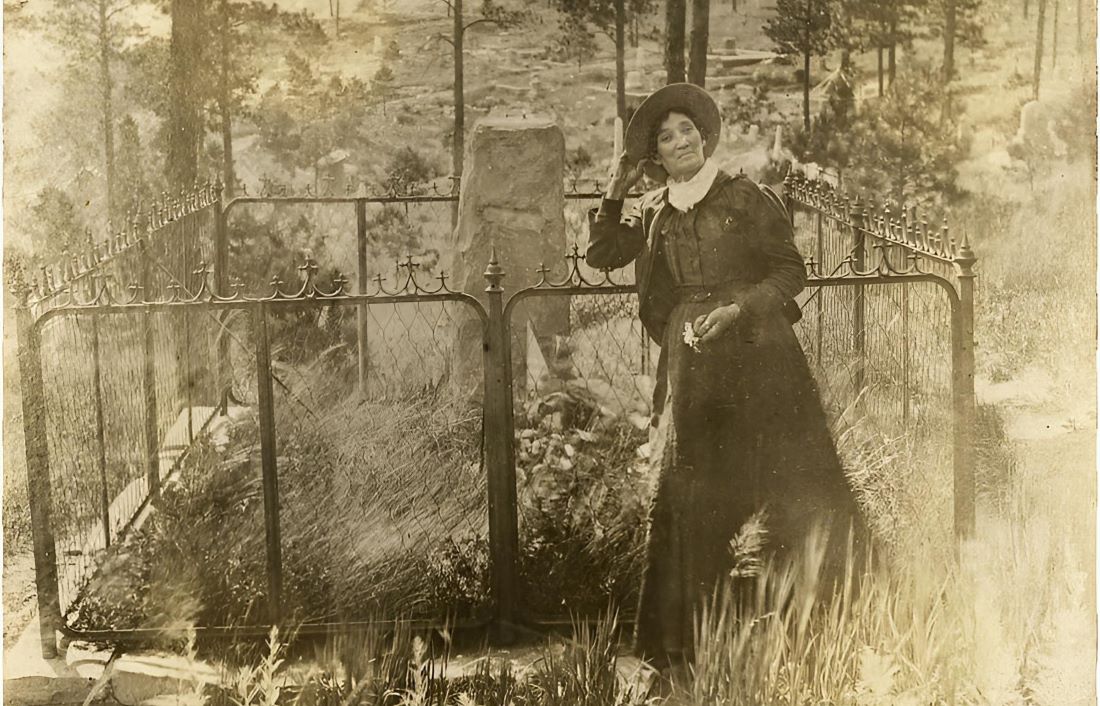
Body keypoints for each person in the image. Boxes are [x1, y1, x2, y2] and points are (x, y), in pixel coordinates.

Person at [586, 83, 867, 665]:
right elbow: (602, 253)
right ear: (654, 158)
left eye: (688, 129)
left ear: (704, 136)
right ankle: (690, 642)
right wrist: (615, 190)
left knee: (790, 485)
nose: (681, 140)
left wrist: (739, 308)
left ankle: (817, 623)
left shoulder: (745, 196)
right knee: (693, 494)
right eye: (666, 137)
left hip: (763, 360)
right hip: (694, 366)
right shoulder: (658, 211)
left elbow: (790, 274)